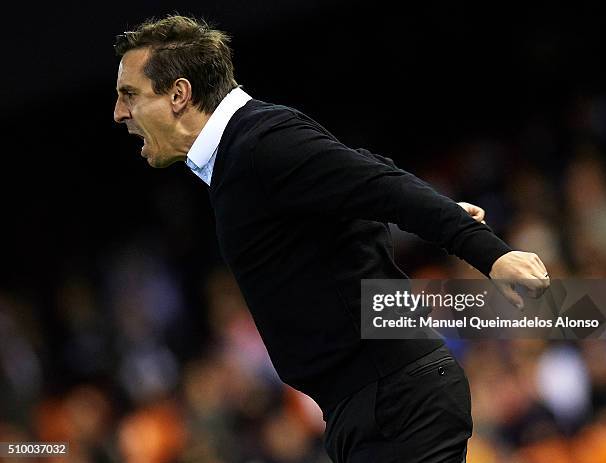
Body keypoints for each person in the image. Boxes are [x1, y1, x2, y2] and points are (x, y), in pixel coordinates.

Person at [113, 15, 550, 463]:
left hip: (394, 403)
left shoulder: (260, 142)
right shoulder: (243, 151)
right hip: (369, 407)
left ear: (179, 94)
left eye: (129, 95)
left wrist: (491, 254)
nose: (119, 113)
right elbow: (362, 176)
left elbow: (377, 183)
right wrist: (435, 205)